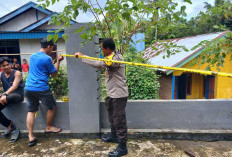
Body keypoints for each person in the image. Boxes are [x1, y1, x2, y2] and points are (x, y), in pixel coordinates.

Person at [75, 38, 128, 157]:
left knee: (119, 121)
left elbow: (99, 64)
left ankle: (123, 147)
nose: (101, 50)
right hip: (111, 94)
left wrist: (83, 57)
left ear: (108, 49)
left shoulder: (116, 58)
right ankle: (114, 136)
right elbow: (102, 62)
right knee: (112, 117)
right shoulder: (110, 57)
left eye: (102, 48)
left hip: (119, 95)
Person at [25, 38, 64, 147]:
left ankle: (30, 136)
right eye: (52, 47)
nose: (52, 49)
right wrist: (58, 61)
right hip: (41, 87)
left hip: (29, 87)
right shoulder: (47, 58)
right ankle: (49, 126)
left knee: (31, 111)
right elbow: (54, 73)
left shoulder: (33, 56)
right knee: (52, 107)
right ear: (48, 46)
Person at [0, 57, 24, 143]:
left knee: (8, 97)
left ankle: (11, 127)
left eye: (7, 64)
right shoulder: (1, 74)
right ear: (1, 67)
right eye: (4, 66)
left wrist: (4, 94)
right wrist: (4, 96)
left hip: (18, 95)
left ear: (10, 64)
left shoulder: (17, 73)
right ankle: (10, 125)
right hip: (6, 97)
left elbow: (15, 86)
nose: (6, 67)